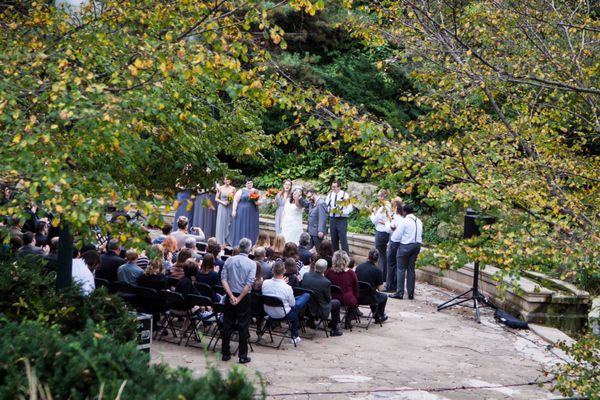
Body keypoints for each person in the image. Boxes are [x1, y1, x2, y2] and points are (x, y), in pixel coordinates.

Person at [220, 237, 256, 364]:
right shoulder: (252, 264)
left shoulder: (230, 260)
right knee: (243, 326)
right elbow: (249, 283)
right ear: (249, 249)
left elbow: (223, 279)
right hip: (242, 296)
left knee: (227, 324)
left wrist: (231, 296)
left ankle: (225, 353)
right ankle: (242, 355)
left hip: (233, 294)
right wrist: (238, 298)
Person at [262, 260, 311, 345]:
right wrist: (283, 285)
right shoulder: (287, 288)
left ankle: (295, 335)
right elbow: (292, 304)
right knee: (305, 297)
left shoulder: (265, 283)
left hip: (268, 312)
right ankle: (295, 336)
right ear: (284, 270)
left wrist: (282, 284)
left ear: (273, 270)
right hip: (282, 313)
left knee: (298, 299)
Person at [301, 258, 343, 336]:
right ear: (325, 269)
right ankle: (334, 329)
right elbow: (328, 299)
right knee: (337, 303)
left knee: (313, 299)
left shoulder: (306, 275)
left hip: (305, 307)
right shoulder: (326, 282)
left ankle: (311, 320)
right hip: (318, 310)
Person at [390, 205, 423, 300]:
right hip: (417, 245)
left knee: (401, 269)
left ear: (404, 212)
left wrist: (393, 240)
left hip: (406, 246)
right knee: (411, 269)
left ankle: (400, 292)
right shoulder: (419, 221)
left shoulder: (404, 221)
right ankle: (411, 293)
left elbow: (396, 236)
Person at [325, 250, 359, 330]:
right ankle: (348, 322)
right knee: (354, 302)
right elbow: (356, 288)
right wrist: (357, 298)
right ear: (346, 260)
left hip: (332, 297)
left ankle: (334, 321)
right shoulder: (351, 273)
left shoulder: (329, 271)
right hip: (345, 299)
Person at [356, 248, 388, 323]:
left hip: (357, 296)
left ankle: (377, 316)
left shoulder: (359, 267)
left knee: (371, 292)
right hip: (369, 298)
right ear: (377, 259)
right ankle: (380, 316)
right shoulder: (377, 270)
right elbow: (380, 289)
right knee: (383, 296)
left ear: (368, 256)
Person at [230, 178, 260, 246]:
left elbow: (256, 202)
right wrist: (234, 210)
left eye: (251, 183)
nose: (250, 184)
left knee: (251, 227)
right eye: (248, 183)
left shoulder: (255, 191)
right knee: (241, 226)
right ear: (245, 184)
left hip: (253, 211)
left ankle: (251, 245)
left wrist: (261, 202)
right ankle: (238, 245)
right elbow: (235, 200)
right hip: (242, 211)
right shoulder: (241, 191)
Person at [325, 180, 353, 253]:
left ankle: (346, 258)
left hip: (342, 219)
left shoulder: (345, 195)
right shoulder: (330, 195)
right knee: (334, 239)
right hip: (332, 219)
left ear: (339, 187)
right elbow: (325, 206)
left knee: (343, 239)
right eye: (332, 187)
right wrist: (330, 209)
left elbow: (350, 208)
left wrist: (341, 211)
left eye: (334, 187)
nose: (333, 188)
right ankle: (335, 257)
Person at [370, 189, 392, 277]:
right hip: (388, 232)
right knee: (384, 255)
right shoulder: (390, 205)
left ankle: (382, 276)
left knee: (380, 255)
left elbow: (374, 221)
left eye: (379, 196)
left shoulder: (383, 207)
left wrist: (371, 213)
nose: (378, 198)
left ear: (383, 196)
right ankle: (385, 275)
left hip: (381, 232)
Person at [384, 199, 404, 292]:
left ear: (396, 209)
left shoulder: (396, 219)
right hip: (401, 243)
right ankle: (396, 285)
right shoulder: (404, 219)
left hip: (394, 242)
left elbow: (388, 229)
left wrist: (388, 221)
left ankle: (389, 286)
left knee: (391, 264)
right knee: (397, 265)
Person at [215, 176, 236, 246]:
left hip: (229, 207)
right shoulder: (220, 188)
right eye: (226, 179)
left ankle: (227, 241)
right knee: (222, 222)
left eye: (229, 179)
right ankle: (220, 241)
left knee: (229, 223)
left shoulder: (233, 188)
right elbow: (216, 198)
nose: (227, 181)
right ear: (224, 180)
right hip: (222, 207)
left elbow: (235, 199)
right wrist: (223, 202)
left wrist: (230, 201)